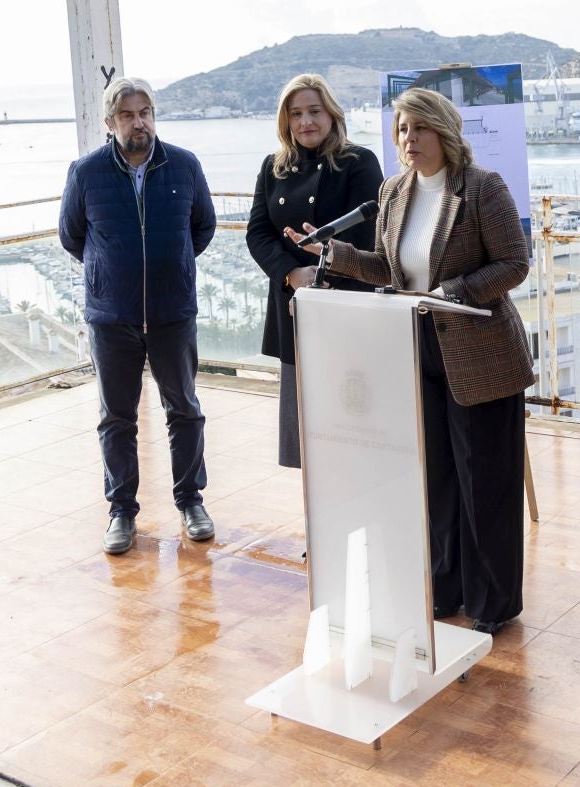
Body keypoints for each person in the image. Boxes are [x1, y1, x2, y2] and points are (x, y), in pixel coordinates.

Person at [288, 87, 533, 634]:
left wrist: (459, 291)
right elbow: (390, 270)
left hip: (481, 355)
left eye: (419, 129)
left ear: (444, 131)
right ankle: (445, 588)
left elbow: (514, 264)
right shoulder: (394, 191)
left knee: (484, 483)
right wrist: (337, 255)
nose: (409, 140)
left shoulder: (481, 189)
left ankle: (492, 602)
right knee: (437, 479)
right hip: (416, 351)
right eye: (401, 130)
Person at [59, 76, 219, 556]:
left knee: (185, 410)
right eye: (127, 115)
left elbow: (203, 227)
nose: (139, 121)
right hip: (112, 318)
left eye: (145, 111)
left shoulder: (184, 166)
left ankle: (191, 501)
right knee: (116, 417)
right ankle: (121, 511)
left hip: (173, 312)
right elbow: (72, 236)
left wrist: (169, 271)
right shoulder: (86, 173)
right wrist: (112, 276)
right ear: (110, 123)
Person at [245, 73, 384, 468]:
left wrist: (321, 274)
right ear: (285, 121)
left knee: (353, 420)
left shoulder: (358, 162)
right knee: (306, 427)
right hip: (295, 306)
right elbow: (258, 233)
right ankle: (317, 515)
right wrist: (292, 272)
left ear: (331, 113)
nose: (306, 121)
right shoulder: (273, 167)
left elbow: (369, 235)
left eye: (314, 111)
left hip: (346, 306)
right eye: (296, 114)